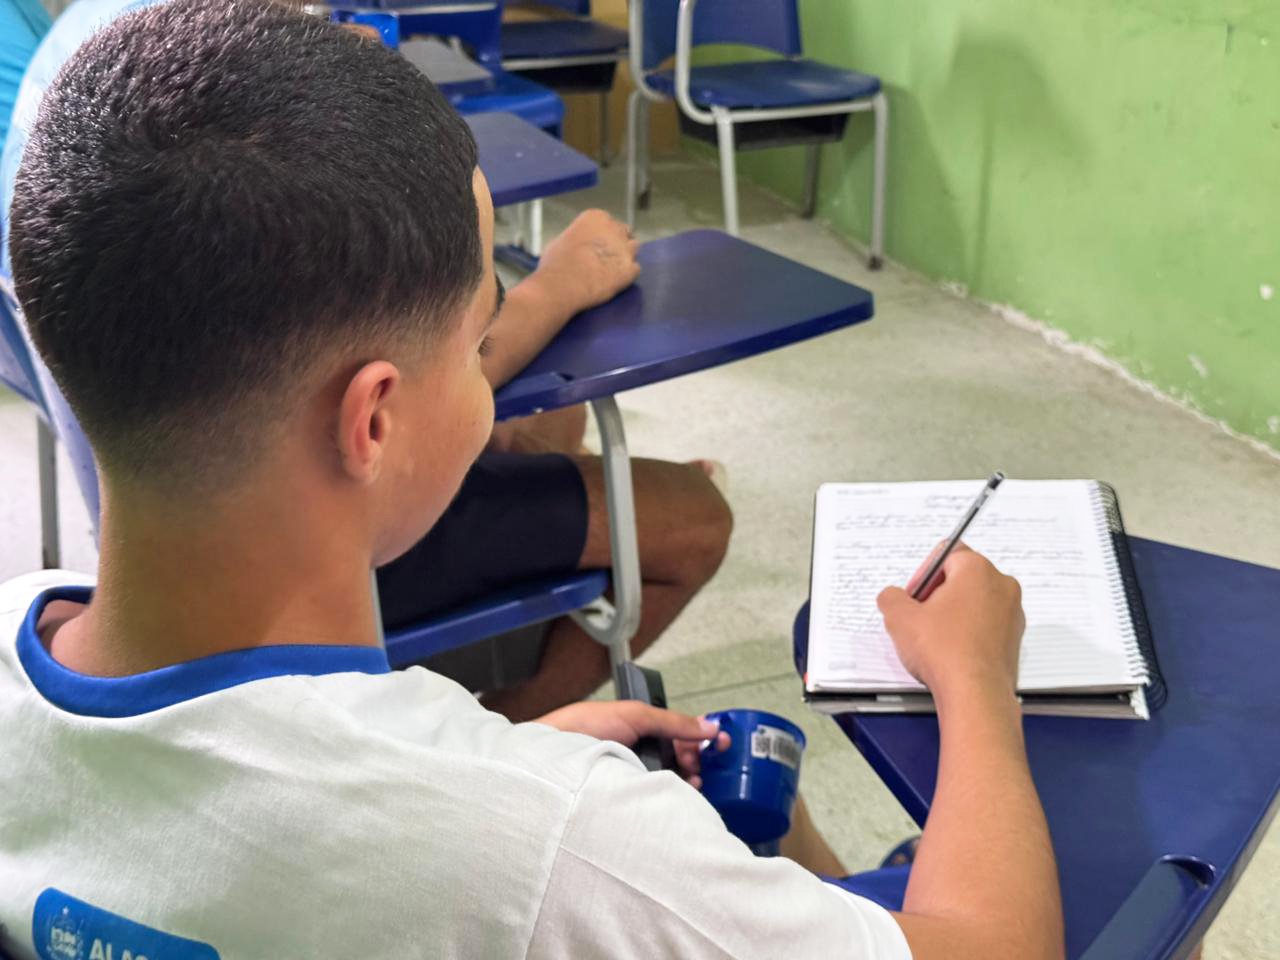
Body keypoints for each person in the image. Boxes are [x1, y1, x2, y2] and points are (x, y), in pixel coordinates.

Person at [0, 3, 1063, 957]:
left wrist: (506, 755)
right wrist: (974, 679)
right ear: (372, 421)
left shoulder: (19, 640)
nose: (486, 376)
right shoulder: (545, 845)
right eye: (477, 343)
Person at [0, 0, 732, 724]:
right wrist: (537, 762)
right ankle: (519, 707)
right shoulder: (562, 804)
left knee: (549, 425)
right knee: (669, 501)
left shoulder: (96, 84)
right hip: (303, 534)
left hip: (155, 511)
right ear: (373, 421)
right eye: (478, 341)